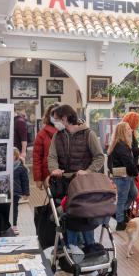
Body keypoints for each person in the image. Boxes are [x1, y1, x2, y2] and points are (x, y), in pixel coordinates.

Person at [48, 104, 106, 250]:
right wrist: (54, 169)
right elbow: (52, 156)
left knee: (85, 216)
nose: (54, 122)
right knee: (69, 217)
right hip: (65, 184)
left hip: (84, 185)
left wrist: (88, 171)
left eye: (56, 119)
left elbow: (99, 157)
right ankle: (72, 251)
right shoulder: (58, 135)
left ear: (65, 118)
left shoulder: (88, 134)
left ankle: (90, 248)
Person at [107, 122, 138, 231]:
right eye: (129, 129)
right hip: (124, 176)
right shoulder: (121, 145)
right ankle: (120, 222)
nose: (131, 130)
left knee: (134, 194)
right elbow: (128, 162)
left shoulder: (119, 143)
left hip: (123, 175)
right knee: (122, 199)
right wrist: (136, 172)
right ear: (123, 131)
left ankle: (120, 211)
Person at [33, 103, 60, 191]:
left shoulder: (68, 131)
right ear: (49, 116)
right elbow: (37, 157)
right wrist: (38, 178)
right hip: (49, 174)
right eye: (54, 115)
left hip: (67, 173)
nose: (56, 117)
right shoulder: (42, 134)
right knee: (55, 202)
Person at [12, 148, 29, 236]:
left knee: (14, 209)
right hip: (6, 192)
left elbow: (25, 181)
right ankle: (7, 225)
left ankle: (14, 225)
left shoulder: (21, 167)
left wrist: (26, 193)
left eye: (13, 155)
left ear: (16, 156)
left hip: (15, 192)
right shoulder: (4, 166)